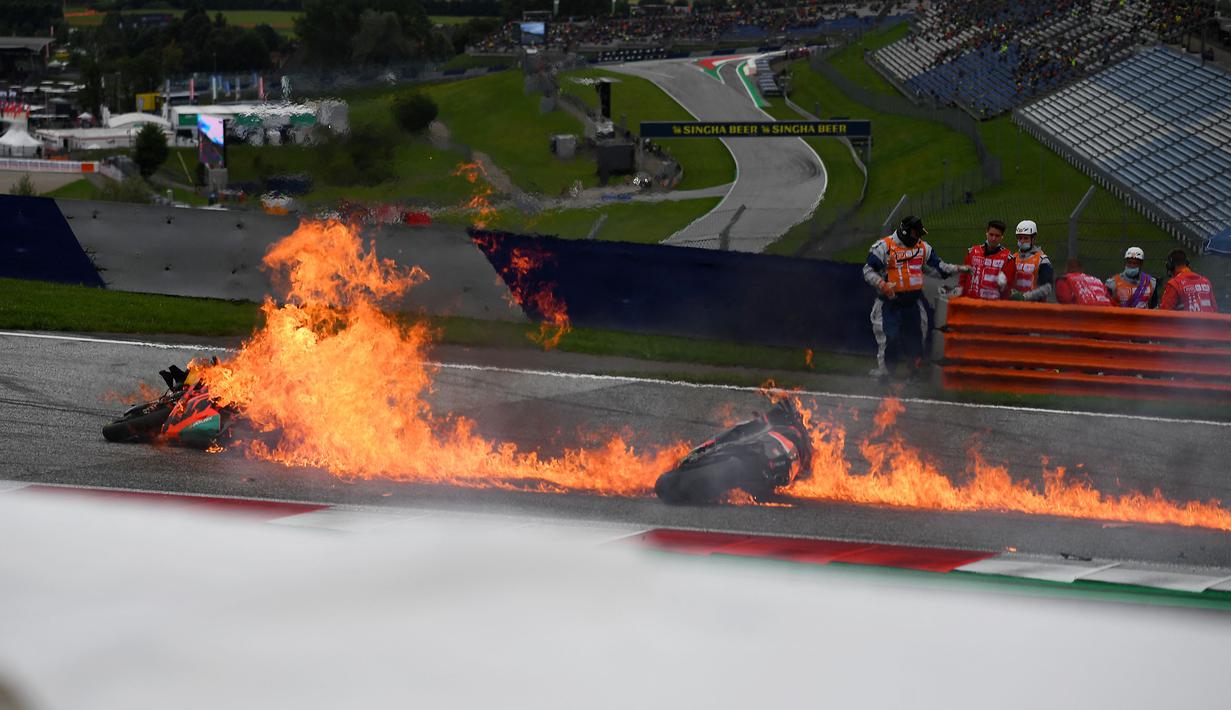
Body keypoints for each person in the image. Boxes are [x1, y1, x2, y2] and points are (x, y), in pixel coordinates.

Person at [863, 215, 969, 380]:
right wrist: (881, 284)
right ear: (905, 232)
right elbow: (868, 271)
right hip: (889, 304)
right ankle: (885, 373)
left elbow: (938, 267)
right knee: (889, 337)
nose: (918, 237)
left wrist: (958, 268)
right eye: (915, 233)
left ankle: (914, 372)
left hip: (912, 302)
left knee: (916, 337)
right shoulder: (884, 246)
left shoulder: (923, 248)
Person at [958, 219, 1014, 300]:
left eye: (997, 236)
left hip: (992, 307)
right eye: (991, 234)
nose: (993, 238)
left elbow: (1009, 287)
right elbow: (963, 278)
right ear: (986, 233)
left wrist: (1004, 285)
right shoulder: (972, 252)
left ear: (1002, 237)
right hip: (970, 302)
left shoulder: (1008, 258)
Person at [1008, 219, 1053, 301]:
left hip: (1035, 307)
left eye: (1026, 238)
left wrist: (1025, 297)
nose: (1022, 241)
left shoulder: (1042, 260)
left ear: (1034, 239)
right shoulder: (1012, 258)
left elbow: (1047, 288)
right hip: (1015, 305)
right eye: (1020, 238)